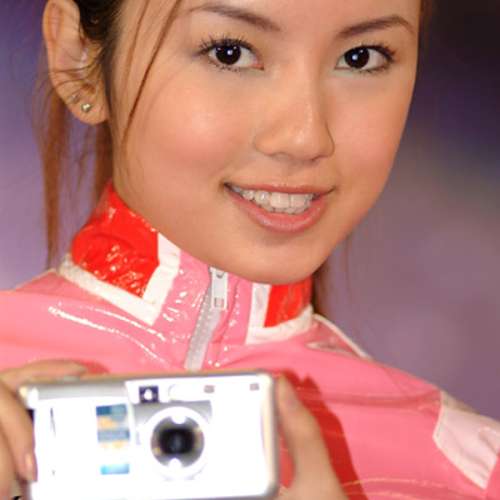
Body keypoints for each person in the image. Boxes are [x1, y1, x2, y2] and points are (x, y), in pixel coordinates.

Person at [0, 0, 499, 498]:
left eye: (361, 57)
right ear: (78, 58)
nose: (304, 138)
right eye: (230, 52)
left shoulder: (473, 470)